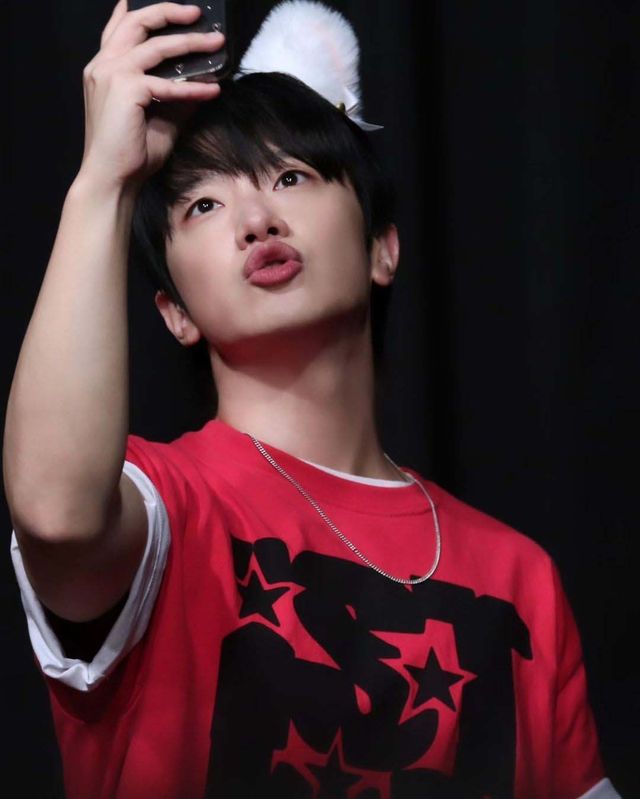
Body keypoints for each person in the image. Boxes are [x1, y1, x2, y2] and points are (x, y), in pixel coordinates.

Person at [3, 2, 622, 798]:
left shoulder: (518, 578)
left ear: (381, 248)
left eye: (291, 176)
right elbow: (56, 511)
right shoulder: (163, 509)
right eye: (203, 205)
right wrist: (105, 182)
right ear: (174, 312)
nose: (256, 219)